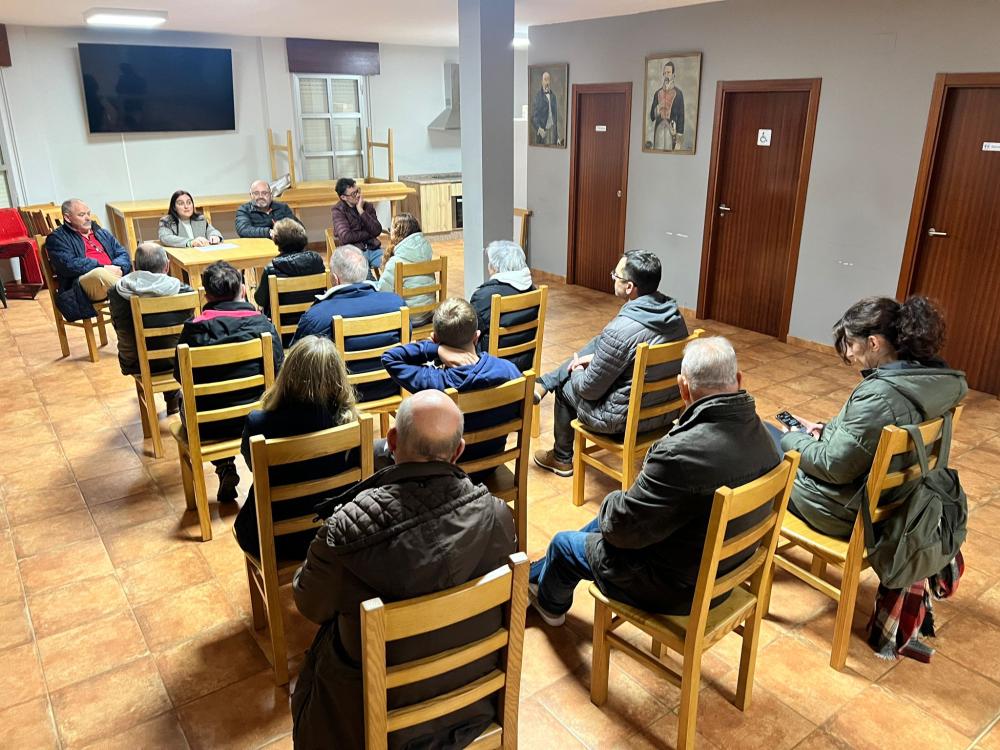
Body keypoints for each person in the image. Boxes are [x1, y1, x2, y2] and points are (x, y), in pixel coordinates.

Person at [292, 390, 516, 750]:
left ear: (391, 442)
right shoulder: (499, 516)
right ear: (458, 451)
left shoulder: (344, 533)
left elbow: (308, 604)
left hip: (373, 722)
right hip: (470, 707)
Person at [528, 337, 781, 625]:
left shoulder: (678, 454)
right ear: (737, 379)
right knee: (613, 516)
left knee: (565, 544)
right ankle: (536, 574)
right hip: (725, 574)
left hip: (674, 589)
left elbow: (620, 528)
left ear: (682, 387)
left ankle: (549, 605)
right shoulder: (768, 438)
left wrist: (613, 501)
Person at [774, 296, 968, 539]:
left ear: (874, 343)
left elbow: (834, 467)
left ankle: (741, 552)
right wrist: (823, 431)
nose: (849, 353)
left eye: (852, 344)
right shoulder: (933, 384)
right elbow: (866, 438)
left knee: (761, 453)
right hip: (895, 507)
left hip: (841, 512)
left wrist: (793, 439)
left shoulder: (881, 396)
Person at [533, 250, 688, 476]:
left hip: (622, 421)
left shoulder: (620, 330)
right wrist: (596, 358)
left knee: (566, 388)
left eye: (616, 275)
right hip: (664, 414)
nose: (613, 278)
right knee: (598, 343)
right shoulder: (675, 317)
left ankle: (561, 458)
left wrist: (576, 370)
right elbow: (626, 353)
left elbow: (588, 390)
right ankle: (545, 382)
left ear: (629, 287)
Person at [235, 336, 360, 560]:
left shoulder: (259, 423)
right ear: (339, 377)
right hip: (336, 534)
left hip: (276, 542)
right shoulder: (352, 423)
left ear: (287, 374)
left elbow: (252, 466)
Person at [174, 261, 284, 503]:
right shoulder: (263, 325)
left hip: (206, 426)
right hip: (259, 418)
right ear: (242, 290)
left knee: (182, 396)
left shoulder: (192, 331)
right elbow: (279, 369)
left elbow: (179, 376)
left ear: (206, 295)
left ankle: (224, 467)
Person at [381, 297, 522, 474]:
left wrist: (435, 350)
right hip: (489, 467)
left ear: (434, 338)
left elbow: (390, 358)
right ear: (476, 337)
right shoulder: (509, 370)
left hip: (446, 474)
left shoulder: (434, 383)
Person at [292, 246, 406, 403]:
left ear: (335, 278)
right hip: (391, 385)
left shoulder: (317, 315)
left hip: (339, 396)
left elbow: (298, 360)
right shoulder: (396, 303)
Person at [108, 242, 194, 415]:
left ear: (135, 266)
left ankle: (172, 397)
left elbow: (118, 326)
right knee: (169, 341)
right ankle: (173, 397)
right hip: (178, 360)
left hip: (136, 361)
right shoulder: (184, 291)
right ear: (167, 266)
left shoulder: (117, 292)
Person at [45, 199, 132, 320]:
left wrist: (120, 268)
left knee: (144, 254)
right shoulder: (57, 238)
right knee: (99, 274)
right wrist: (103, 267)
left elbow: (122, 253)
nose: (87, 218)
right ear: (68, 218)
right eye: (81, 215)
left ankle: (132, 293)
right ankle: (136, 293)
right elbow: (69, 265)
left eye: (88, 213)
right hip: (82, 287)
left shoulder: (101, 232)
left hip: (112, 278)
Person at [469, 240, 537, 372]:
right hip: (525, 363)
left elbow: (470, 333)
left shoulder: (483, 297)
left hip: (493, 367)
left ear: (495, 267)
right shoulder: (533, 291)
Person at [253, 218, 326, 327]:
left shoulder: (272, 268)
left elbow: (260, 300)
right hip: (314, 320)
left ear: (276, 240)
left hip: (283, 324)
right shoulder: (317, 261)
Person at [375, 212, 435, 326]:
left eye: (391, 228)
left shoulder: (396, 261)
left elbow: (383, 292)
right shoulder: (426, 255)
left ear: (398, 232)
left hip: (408, 318)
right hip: (428, 313)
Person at [331, 177, 383, 274]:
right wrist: (369, 233)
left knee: (392, 267)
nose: (358, 195)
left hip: (374, 249)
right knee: (366, 278)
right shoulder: (338, 210)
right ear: (343, 197)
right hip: (354, 252)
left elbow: (377, 230)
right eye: (353, 194)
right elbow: (346, 237)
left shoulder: (367, 206)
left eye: (358, 191)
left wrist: (361, 211)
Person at [235, 180, 302, 239]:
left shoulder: (282, 207)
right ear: (251, 195)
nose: (260, 196)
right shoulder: (244, 210)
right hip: (257, 248)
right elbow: (243, 230)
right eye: (256, 193)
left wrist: (283, 231)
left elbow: (299, 227)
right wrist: (269, 232)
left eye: (264, 193)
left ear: (271, 194)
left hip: (283, 246)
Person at [157, 190, 223, 248]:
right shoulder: (167, 221)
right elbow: (165, 238)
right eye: (181, 204)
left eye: (189, 203)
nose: (186, 206)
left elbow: (212, 231)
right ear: (174, 207)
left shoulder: (200, 219)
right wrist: (191, 242)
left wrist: (215, 236)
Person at [647, 60, 685, 151]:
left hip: (672, 130)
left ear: (673, 75)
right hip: (659, 128)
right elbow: (652, 116)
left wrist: (679, 141)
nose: (666, 75)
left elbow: (681, 116)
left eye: (668, 72)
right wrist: (657, 108)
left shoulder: (679, 94)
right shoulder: (657, 93)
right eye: (665, 73)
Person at [531, 70, 561, 146]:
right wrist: (539, 128)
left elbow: (555, 119)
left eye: (548, 80)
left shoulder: (553, 97)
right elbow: (534, 117)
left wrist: (557, 137)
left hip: (552, 132)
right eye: (545, 79)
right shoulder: (538, 96)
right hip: (543, 133)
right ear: (542, 81)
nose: (547, 82)